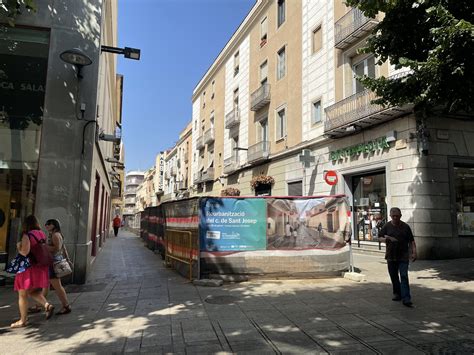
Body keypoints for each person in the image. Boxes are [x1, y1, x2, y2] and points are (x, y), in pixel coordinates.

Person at [11, 215, 54, 328]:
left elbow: (25, 252)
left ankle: (23, 320)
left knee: (22, 294)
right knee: (32, 291)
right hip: (40, 267)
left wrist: (18, 247)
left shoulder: (27, 235)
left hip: (28, 268)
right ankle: (47, 305)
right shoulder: (41, 233)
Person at [379, 207, 417, 307]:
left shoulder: (405, 227)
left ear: (400, 216)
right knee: (394, 276)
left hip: (403, 255)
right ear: (390, 216)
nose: (395, 217)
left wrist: (414, 252)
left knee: (404, 276)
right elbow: (379, 237)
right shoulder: (387, 226)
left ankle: (406, 298)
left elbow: (411, 241)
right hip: (391, 256)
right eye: (393, 216)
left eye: (397, 216)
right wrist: (386, 239)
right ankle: (397, 293)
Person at [44, 219, 72, 315]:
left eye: (49, 224)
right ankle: (41, 304)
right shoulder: (57, 234)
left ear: (54, 225)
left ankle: (66, 305)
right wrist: (68, 259)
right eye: (46, 224)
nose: (46, 226)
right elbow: (63, 248)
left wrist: (44, 246)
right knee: (46, 284)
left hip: (53, 261)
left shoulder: (55, 235)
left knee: (57, 286)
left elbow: (57, 248)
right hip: (54, 260)